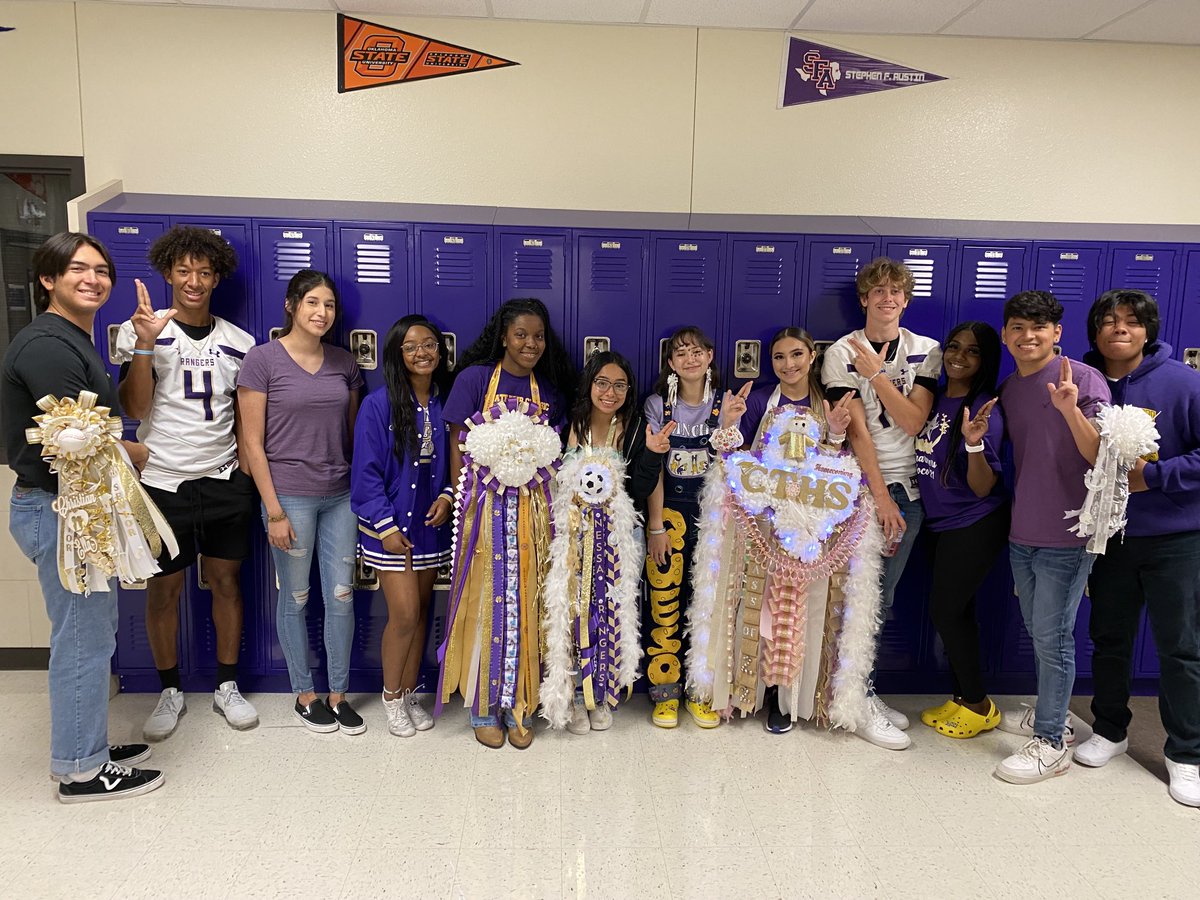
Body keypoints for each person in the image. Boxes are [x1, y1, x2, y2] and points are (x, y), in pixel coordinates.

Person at [3, 232, 163, 801]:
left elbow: (129, 410)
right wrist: (134, 452)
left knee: (94, 632)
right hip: (60, 511)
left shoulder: (76, 340)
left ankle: (87, 742)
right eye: (78, 269)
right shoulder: (47, 346)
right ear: (48, 279)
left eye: (101, 270)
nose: (93, 279)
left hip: (78, 511)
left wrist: (144, 345)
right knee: (82, 639)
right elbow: (79, 444)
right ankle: (80, 768)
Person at [115, 224, 258, 740]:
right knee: (163, 590)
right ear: (168, 273)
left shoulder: (240, 342)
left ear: (216, 277)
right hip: (161, 483)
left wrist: (248, 478)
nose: (193, 280)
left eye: (203, 271)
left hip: (222, 480)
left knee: (226, 583)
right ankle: (170, 689)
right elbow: (133, 409)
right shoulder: (140, 332)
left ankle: (225, 685)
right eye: (183, 271)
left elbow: (246, 421)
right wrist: (147, 347)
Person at [1074, 290, 1200, 807]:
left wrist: (1155, 477)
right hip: (1111, 538)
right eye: (1108, 321)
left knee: (1182, 648)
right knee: (1109, 640)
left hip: (1175, 540)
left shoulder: (1184, 383)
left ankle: (1187, 755)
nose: (1118, 329)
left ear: (1148, 330)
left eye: (1130, 322)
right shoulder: (1083, 384)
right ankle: (1109, 730)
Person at [437, 298, 574, 749]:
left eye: (537, 336)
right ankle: (482, 704)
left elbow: (554, 458)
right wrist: (464, 496)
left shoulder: (549, 391)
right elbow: (458, 444)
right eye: (521, 335)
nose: (530, 343)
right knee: (486, 601)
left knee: (526, 603)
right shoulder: (475, 379)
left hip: (531, 515)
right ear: (503, 336)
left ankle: (520, 703)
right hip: (482, 514)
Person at [820, 258, 942, 750]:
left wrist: (877, 375)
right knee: (860, 598)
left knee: (881, 599)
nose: (887, 298)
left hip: (910, 493)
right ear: (864, 299)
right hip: (862, 491)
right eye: (878, 291)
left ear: (906, 300)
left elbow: (914, 422)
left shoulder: (926, 351)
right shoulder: (838, 353)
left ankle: (860, 691)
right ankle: (855, 698)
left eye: (896, 291)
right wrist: (878, 496)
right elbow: (857, 430)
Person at [238, 270, 364, 733]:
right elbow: (252, 443)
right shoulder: (262, 360)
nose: (321, 313)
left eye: (329, 305)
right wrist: (273, 511)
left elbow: (351, 436)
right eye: (312, 302)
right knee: (296, 597)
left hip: (341, 496)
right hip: (289, 496)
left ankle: (337, 693)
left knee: (341, 597)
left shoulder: (345, 363)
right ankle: (304, 693)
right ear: (292, 305)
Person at [993, 290, 1110, 784]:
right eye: (1018, 327)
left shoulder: (1082, 379)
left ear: (1057, 333)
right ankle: (1055, 713)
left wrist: (1069, 410)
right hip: (1024, 530)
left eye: (1039, 327)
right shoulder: (1010, 388)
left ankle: (1051, 743)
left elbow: (1103, 457)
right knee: (1040, 632)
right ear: (1006, 334)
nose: (1028, 336)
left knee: (1054, 636)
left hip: (1068, 532)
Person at [541, 351, 667, 735]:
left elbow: (648, 484)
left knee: (612, 613)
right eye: (602, 383)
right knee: (574, 613)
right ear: (589, 384)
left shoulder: (632, 428)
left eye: (619, 385)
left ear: (628, 390)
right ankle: (576, 696)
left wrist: (657, 526)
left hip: (618, 538)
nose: (610, 392)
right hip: (574, 537)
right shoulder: (569, 423)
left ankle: (603, 693)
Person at [736, 327, 853, 733]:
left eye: (797, 355)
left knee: (804, 613)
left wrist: (836, 434)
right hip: (765, 524)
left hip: (813, 530)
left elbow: (840, 468)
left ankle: (793, 697)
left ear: (812, 356)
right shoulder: (757, 400)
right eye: (779, 357)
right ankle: (761, 691)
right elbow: (739, 457)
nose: (789, 365)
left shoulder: (830, 404)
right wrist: (729, 423)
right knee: (764, 607)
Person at [351, 315, 453, 738]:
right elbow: (366, 475)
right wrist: (386, 526)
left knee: (424, 612)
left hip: (430, 526)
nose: (422, 353)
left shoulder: (446, 402)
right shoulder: (379, 405)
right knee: (406, 615)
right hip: (390, 529)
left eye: (429, 344)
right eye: (411, 346)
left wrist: (448, 497)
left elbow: (459, 463)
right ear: (397, 353)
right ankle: (392, 698)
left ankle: (410, 692)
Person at [644, 326, 742, 730]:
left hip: (713, 517)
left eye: (697, 351)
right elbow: (653, 471)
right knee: (664, 599)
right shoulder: (656, 405)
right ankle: (664, 690)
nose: (690, 359)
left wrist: (732, 425)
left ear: (710, 356)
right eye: (680, 353)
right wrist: (655, 526)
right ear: (670, 363)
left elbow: (735, 470)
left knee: (707, 605)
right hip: (669, 513)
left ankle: (701, 691)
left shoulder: (727, 403)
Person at [915, 322, 1010, 739]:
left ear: (984, 360)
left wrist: (973, 443)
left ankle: (978, 704)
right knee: (958, 613)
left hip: (974, 522)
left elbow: (982, 485)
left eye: (972, 352)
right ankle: (963, 697)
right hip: (940, 522)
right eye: (953, 347)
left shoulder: (987, 407)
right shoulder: (934, 399)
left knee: (946, 611)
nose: (958, 356)